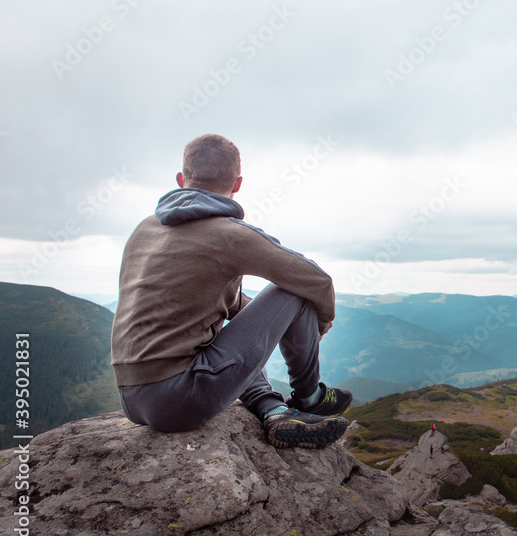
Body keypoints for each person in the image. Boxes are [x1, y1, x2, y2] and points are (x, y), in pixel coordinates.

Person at [110, 134, 352, 449]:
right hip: (180, 399)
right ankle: (309, 396)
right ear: (237, 184)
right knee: (296, 289)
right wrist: (318, 325)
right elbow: (317, 281)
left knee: (227, 329)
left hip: (132, 397)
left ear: (182, 179)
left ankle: (272, 409)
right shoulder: (230, 235)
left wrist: (280, 322)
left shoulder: (144, 230)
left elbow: (235, 307)